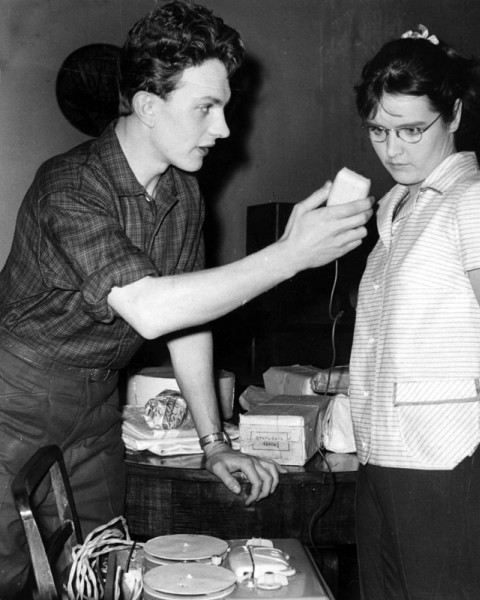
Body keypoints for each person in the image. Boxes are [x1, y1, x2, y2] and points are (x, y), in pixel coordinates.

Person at [0, 1, 372, 596]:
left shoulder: (183, 192)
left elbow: (189, 322)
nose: (223, 128)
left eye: (224, 107)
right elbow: (151, 309)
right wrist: (288, 255)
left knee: (99, 568)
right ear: (148, 106)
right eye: (205, 107)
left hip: (98, 402)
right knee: (9, 572)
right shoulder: (68, 185)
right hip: (13, 398)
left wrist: (213, 443)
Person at [349, 24, 480, 600]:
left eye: (412, 130)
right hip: (383, 458)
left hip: (450, 462)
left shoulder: (479, 203)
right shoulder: (396, 211)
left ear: (454, 114)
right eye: (379, 130)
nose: (393, 150)